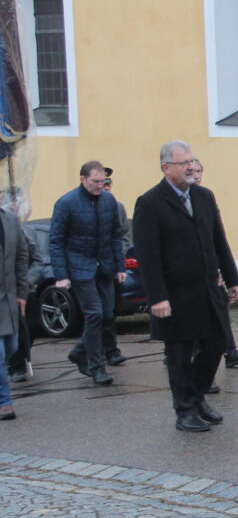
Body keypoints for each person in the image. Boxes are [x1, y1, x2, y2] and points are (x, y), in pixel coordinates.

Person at [132, 140, 238, 432]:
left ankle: (196, 397)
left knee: (217, 343)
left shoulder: (204, 196)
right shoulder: (150, 203)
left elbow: (218, 239)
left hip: (207, 290)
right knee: (179, 356)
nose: (192, 167)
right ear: (166, 168)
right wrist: (157, 297)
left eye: (192, 161)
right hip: (175, 295)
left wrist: (232, 278)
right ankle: (185, 410)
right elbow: (147, 256)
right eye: (185, 163)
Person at [49, 160, 126, 385]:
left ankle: (79, 352)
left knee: (108, 315)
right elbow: (56, 241)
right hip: (80, 268)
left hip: (105, 267)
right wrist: (62, 275)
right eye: (95, 181)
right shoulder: (66, 203)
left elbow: (115, 235)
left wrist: (120, 266)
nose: (100, 185)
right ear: (82, 179)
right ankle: (96, 367)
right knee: (95, 314)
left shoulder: (109, 201)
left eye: (103, 181)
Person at [191, 158, 238, 373]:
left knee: (219, 311)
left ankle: (230, 351)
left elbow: (217, 238)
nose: (195, 175)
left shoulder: (206, 196)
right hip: (188, 274)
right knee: (197, 320)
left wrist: (228, 275)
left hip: (210, 271)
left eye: (199, 171)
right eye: (192, 171)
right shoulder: (162, 200)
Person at [0, 203, 30, 420]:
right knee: (0, 354)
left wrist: (22, 293)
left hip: (9, 299)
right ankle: (4, 402)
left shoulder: (10, 220)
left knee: (12, 346)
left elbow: (21, 257)